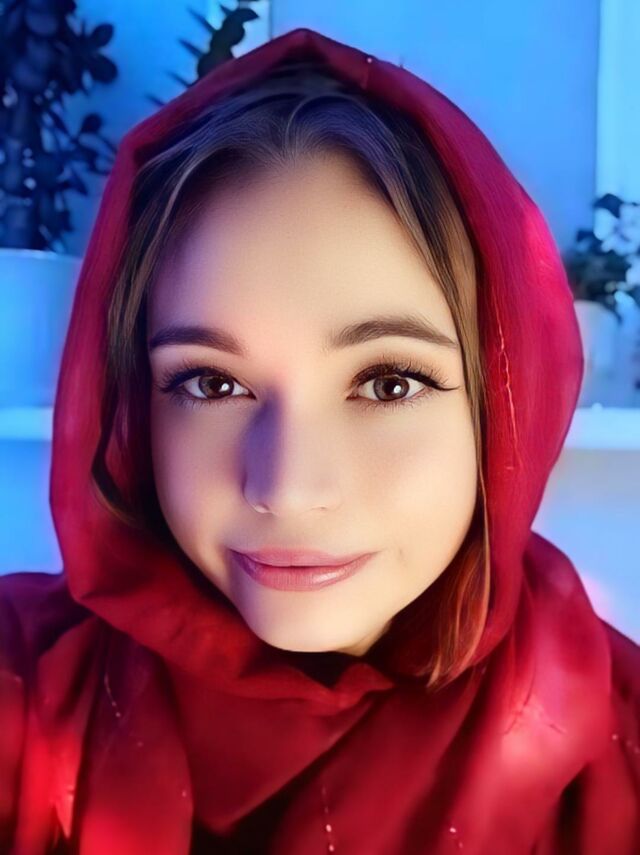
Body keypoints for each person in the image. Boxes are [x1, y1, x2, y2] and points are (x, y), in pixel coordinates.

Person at [0, 26, 638, 855]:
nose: (288, 486)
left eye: (389, 382)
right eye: (211, 383)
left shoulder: (618, 755)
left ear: (504, 407)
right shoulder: (25, 687)